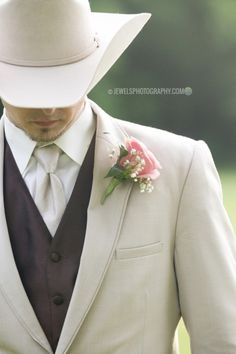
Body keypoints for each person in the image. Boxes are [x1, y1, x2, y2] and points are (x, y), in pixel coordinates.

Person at [0, 1, 236, 354]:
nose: (48, 108)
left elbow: (222, 338)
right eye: (30, 91)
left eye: (63, 84)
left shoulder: (181, 167)